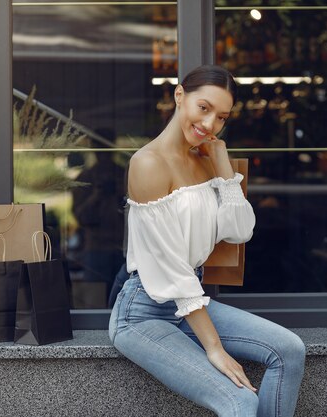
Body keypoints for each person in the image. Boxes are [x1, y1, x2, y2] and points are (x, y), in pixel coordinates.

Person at [108, 65, 306, 417]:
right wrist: (213, 348)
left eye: (222, 117)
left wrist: (223, 166)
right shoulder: (148, 163)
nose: (211, 124)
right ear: (179, 96)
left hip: (192, 302)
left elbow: (240, 230)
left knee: (289, 350)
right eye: (204, 108)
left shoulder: (205, 160)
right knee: (240, 400)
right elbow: (170, 268)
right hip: (143, 313)